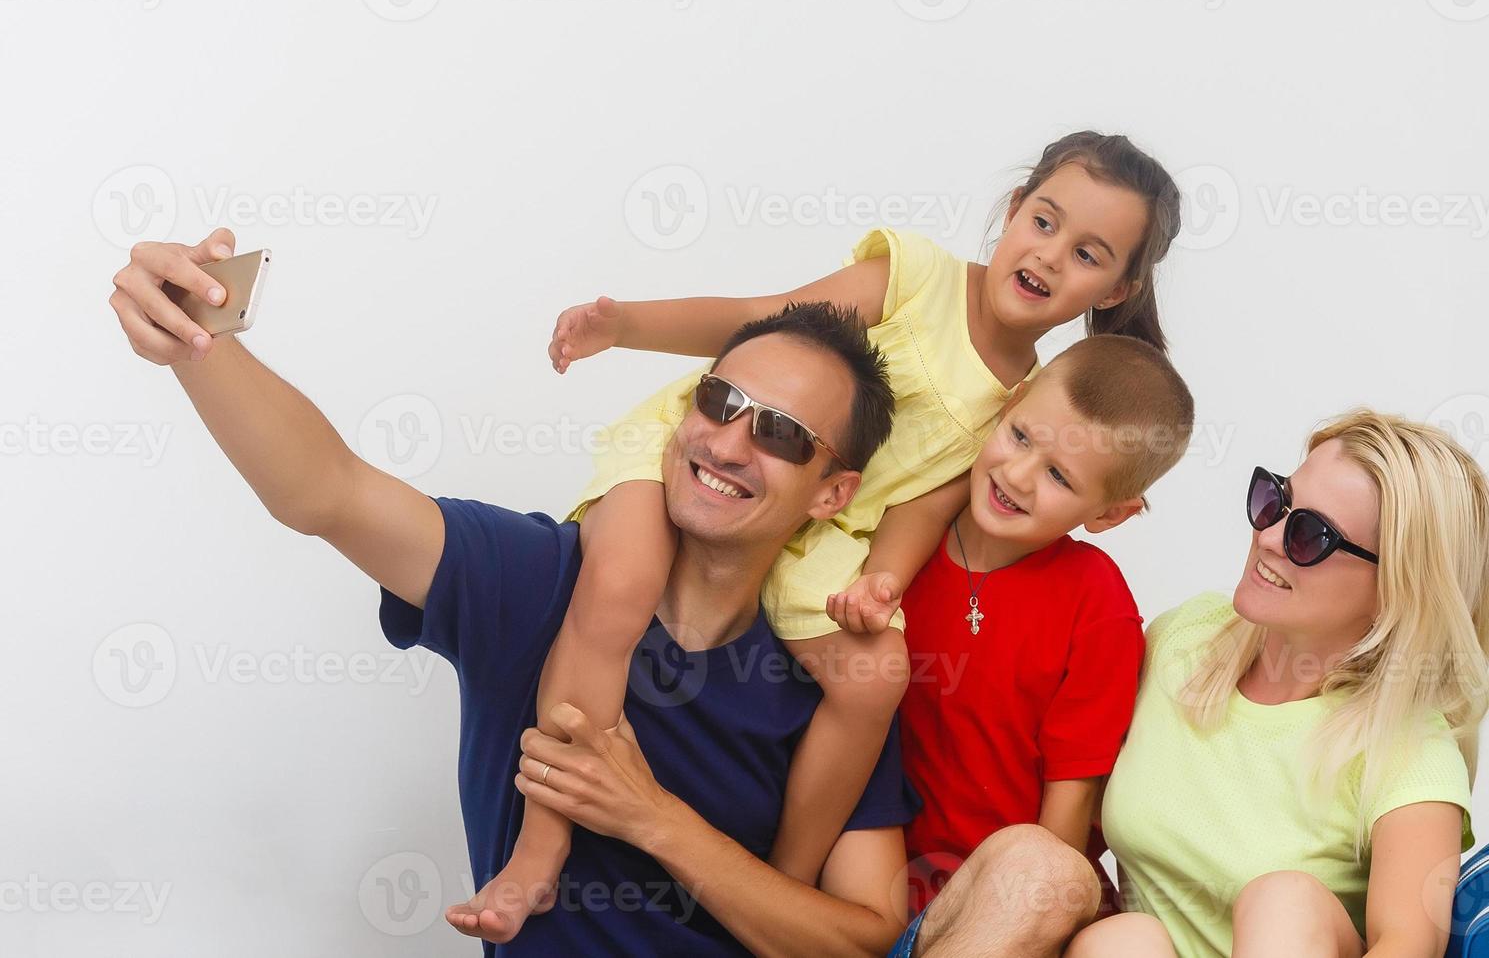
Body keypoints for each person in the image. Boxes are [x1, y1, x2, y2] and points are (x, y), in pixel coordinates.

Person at [106, 232, 920, 956]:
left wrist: (656, 821)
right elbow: (326, 489)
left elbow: (860, 937)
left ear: (832, 494)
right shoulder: (538, 580)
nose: (730, 443)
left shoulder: (831, 680)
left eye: (778, 433)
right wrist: (194, 340)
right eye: (718, 401)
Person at [495, 130, 1184, 940]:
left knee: (872, 675)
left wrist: (881, 581)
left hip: (820, 525)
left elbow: (921, 507)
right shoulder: (917, 279)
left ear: (1116, 287)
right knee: (618, 586)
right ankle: (539, 850)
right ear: (1012, 209)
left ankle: (778, 890)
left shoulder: (1029, 401)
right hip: (722, 446)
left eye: (1087, 253)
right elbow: (761, 321)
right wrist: (627, 324)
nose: (1049, 255)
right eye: (1042, 222)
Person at [1071, 411, 1489, 957]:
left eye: (1309, 535)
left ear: (1396, 587)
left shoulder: (1410, 750)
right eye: (1275, 499)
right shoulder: (1183, 641)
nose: (1266, 536)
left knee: (1284, 901)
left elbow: (1408, 947)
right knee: (1120, 941)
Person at [853, 333, 1195, 954]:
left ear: (1111, 514)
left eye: (1059, 475)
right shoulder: (901, 537)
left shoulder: (1096, 603)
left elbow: (1066, 822)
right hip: (870, 904)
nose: (1017, 476)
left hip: (1000, 920)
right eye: (1019, 437)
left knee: (1046, 871)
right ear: (1008, 405)